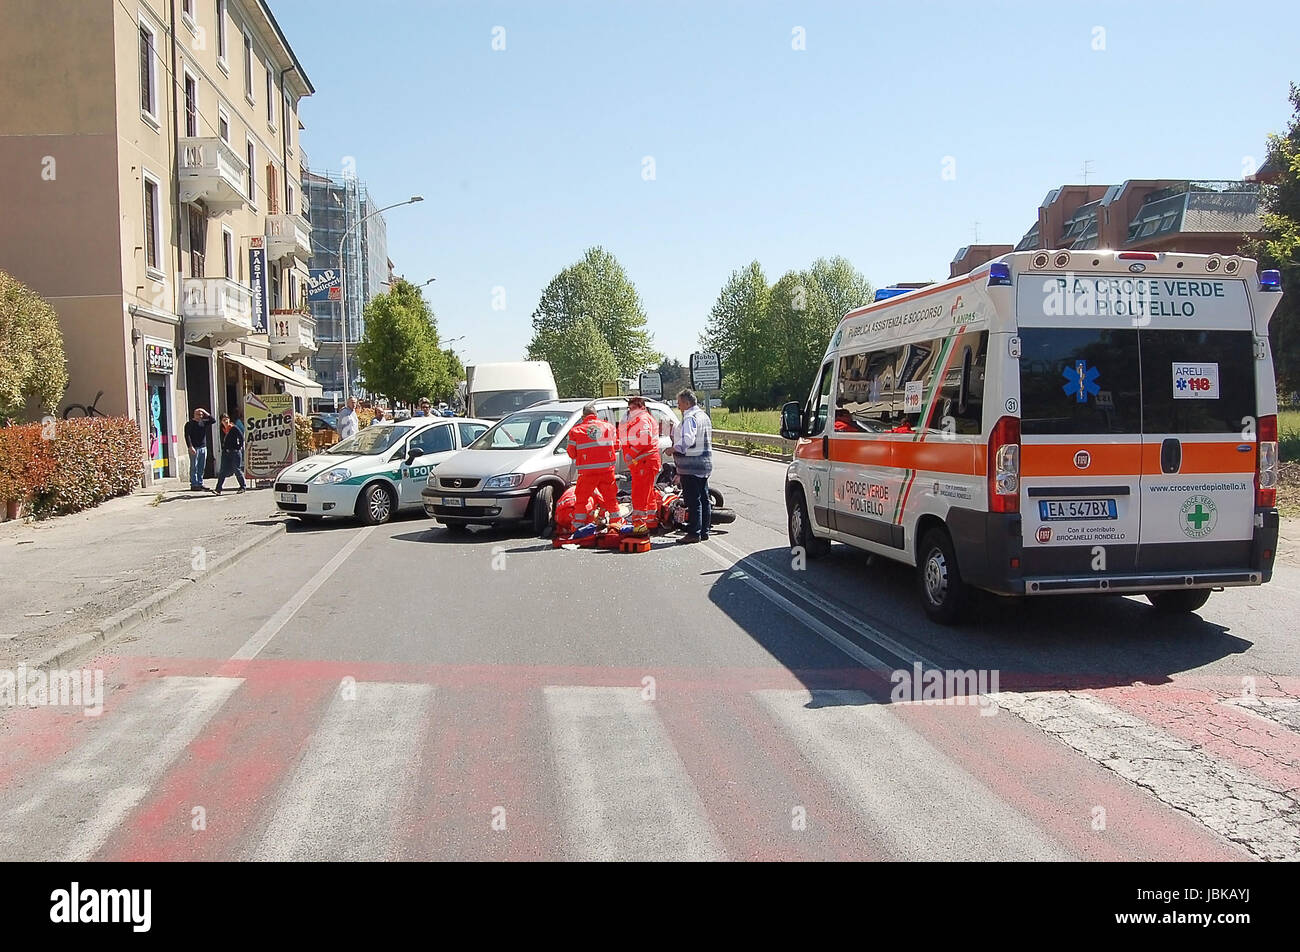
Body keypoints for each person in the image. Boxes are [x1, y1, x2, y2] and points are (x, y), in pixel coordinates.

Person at [566, 403, 619, 530]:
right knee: (610, 499)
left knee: (581, 500)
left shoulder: (576, 431)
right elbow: (617, 447)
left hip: (587, 473)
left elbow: (571, 453)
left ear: (583, 416)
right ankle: (616, 523)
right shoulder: (609, 427)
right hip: (607, 471)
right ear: (595, 415)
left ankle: (578, 526)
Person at [672, 388, 713, 544]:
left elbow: (687, 440)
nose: (678, 407)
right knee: (704, 498)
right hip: (704, 463)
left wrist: (674, 448)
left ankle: (694, 533)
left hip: (691, 465)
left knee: (693, 500)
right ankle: (704, 531)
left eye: (680, 403)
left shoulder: (690, 417)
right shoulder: (703, 416)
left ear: (687, 403)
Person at [623, 396, 660, 535]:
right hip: (643, 462)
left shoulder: (643, 419)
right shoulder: (640, 419)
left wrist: (631, 453)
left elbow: (644, 439)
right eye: (630, 408)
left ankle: (639, 524)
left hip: (644, 461)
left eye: (634, 408)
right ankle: (651, 521)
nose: (631, 411)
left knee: (640, 494)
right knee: (648, 493)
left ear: (642, 407)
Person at [184, 408, 216, 491]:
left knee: (201, 466)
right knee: (194, 466)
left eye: (202, 415)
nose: (200, 416)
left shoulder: (203, 423)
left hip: (203, 447)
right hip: (194, 448)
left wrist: (204, 411)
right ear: (194, 414)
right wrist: (190, 447)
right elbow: (187, 436)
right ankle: (194, 484)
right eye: (198, 414)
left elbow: (213, 420)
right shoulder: (189, 424)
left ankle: (200, 483)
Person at [214, 413, 247, 494]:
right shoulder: (222, 429)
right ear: (221, 421)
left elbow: (241, 437)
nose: (225, 421)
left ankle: (242, 487)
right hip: (226, 452)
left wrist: (239, 447)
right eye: (223, 420)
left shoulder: (233, 428)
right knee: (222, 471)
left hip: (235, 452)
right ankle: (218, 489)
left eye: (226, 419)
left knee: (237, 469)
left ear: (229, 419)